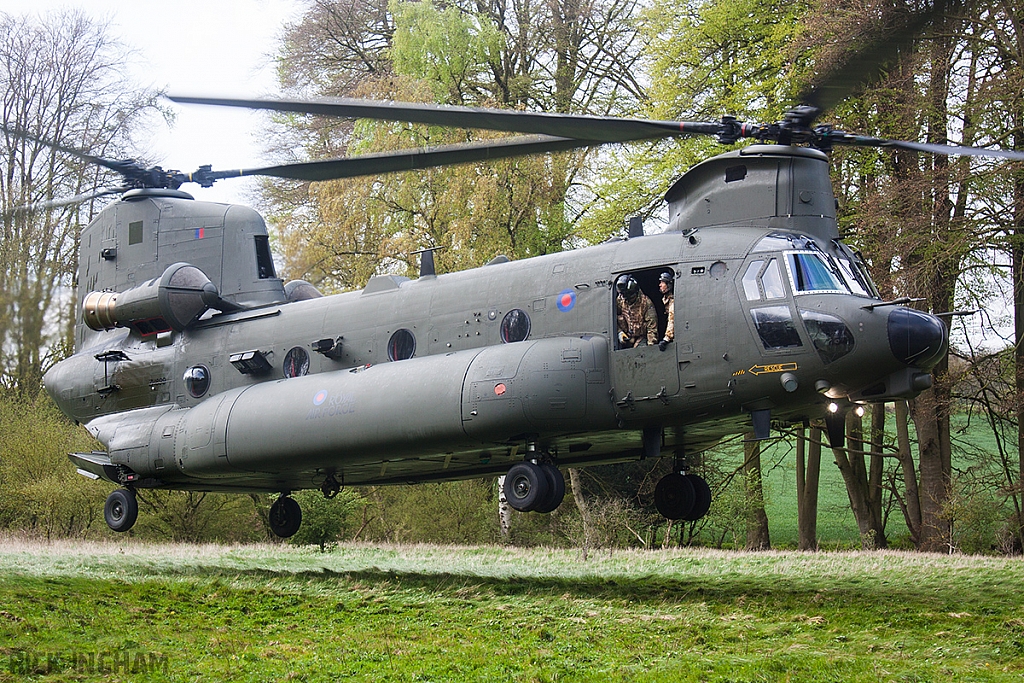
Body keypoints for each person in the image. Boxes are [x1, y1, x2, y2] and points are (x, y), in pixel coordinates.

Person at [615, 274, 657, 348]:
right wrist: (620, 332)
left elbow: (652, 327)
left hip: (641, 337)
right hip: (626, 336)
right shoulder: (620, 300)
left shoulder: (646, 303)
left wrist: (651, 347)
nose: (626, 300)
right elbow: (614, 319)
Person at [658, 271, 675, 351]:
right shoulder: (666, 299)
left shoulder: (672, 302)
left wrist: (666, 339)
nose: (660, 285)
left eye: (662, 282)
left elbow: (672, 319)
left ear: (668, 285)